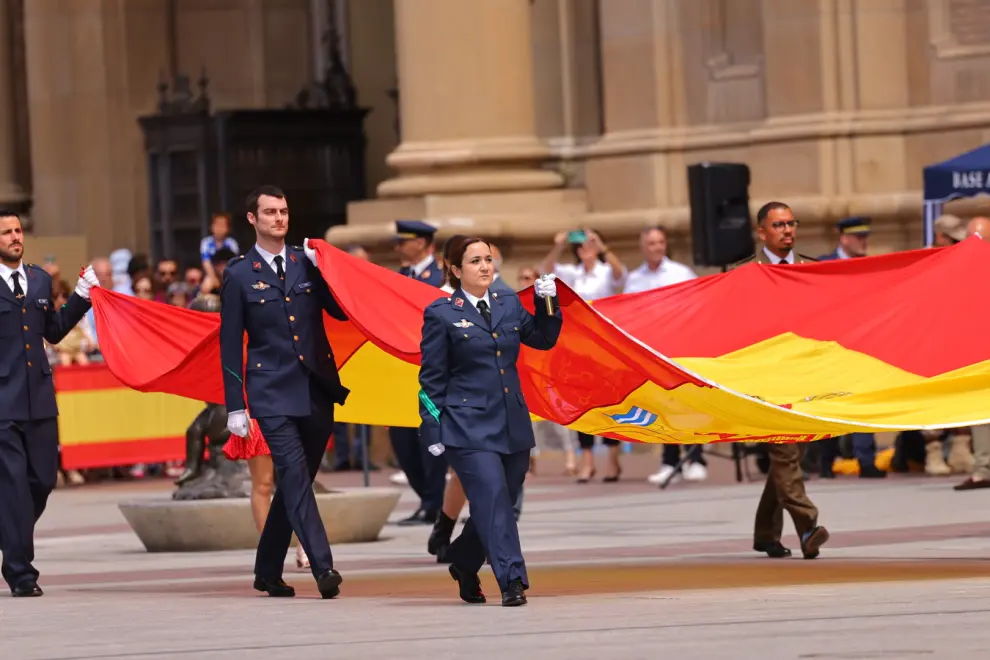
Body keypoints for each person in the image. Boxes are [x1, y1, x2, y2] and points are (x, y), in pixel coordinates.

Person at [219, 185, 349, 599]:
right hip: (271, 391)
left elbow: (340, 310)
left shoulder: (305, 262)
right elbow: (229, 342)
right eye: (271, 212)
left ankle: (266, 570)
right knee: (293, 475)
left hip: (314, 388)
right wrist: (235, 406)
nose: (279, 218)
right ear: (252, 219)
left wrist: (327, 269)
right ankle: (324, 566)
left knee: (298, 480)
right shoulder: (239, 273)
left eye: (284, 211)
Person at [419, 235, 562, 606]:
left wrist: (548, 302)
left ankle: (464, 563)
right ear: (454, 269)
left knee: (499, 501)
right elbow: (431, 379)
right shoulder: (441, 313)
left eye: (488, 260)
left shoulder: (508, 303)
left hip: (511, 422)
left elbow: (543, 339)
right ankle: (512, 579)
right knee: (494, 499)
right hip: (467, 426)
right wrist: (432, 426)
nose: (485, 267)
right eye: (475, 261)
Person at [0, 207, 99, 597]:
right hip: (3, 406)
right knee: (13, 489)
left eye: (17, 230)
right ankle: (21, 572)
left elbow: (54, 332)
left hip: (40, 400)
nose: (14, 237)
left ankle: (10, 531)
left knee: (42, 481)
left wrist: (82, 296)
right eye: (6, 231)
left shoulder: (39, 280)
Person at [731, 201, 829, 560]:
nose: (788, 230)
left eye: (791, 224)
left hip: (805, 376)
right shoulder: (745, 275)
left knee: (789, 456)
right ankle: (808, 526)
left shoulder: (814, 271)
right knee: (785, 452)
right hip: (767, 381)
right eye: (779, 225)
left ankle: (765, 533)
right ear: (762, 232)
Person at [388, 220, 448, 525]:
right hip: (402, 371)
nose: (398, 247)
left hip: (432, 369)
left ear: (423, 243)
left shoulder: (439, 277)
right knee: (400, 438)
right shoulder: (401, 277)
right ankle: (429, 499)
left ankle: (434, 503)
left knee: (430, 437)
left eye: (404, 241)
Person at [816, 217, 885, 479]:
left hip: (862, 345)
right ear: (844, 239)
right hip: (830, 346)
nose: (864, 242)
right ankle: (826, 460)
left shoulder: (870, 267)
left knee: (864, 400)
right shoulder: (824, 266)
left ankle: (866, 461)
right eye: (859, 237)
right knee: (830, 403)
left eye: (866, 237)